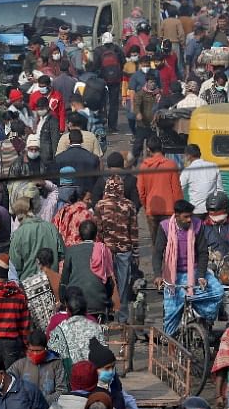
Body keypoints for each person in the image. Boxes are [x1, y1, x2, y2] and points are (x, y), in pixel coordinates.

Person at [154, 199, 225, 334]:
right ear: (176, 215)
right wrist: (158, 275)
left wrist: (201, 276)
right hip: (173, 276)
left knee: (218, 292)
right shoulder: (164, 227)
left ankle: (201, 316)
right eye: (185, 217)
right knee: (170, 319)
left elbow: (203, 252)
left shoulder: (198, 225)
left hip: (195, 271)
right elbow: (157, 253)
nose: (189, 220)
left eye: (190, 216)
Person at [95, 175, 139, 323]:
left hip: (105, 251)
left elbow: (98, 231)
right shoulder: (130, 205)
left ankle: (106, 314)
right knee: (124, 284)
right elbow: (133, 231)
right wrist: (136, 253)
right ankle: (123, 317)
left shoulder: (100, 205)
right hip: (124, 250)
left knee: (106, 282)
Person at [61, 219, 117, 317]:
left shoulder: (71, 251)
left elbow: (64, 283)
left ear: (80, 235)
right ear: (96, 235)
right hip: (98, 305)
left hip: (75, 305)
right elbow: (109, 282)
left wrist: (63, 301)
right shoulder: (103, 250)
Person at [0, 255, 30, 366]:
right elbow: (25, 325)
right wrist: (26, 345)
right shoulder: (19, 294)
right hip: (13, 344)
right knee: (12, 376)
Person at [138, 137, 184, 238]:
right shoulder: (171, 165)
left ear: (148, 150)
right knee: (170, 244)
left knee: (156, 245)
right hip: (169, 211)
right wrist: (179, 210)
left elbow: (141, 192)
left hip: (152, 209)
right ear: (162, 147)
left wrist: (146, 206)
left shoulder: (144, 167)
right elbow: (176, 190)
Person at [9, 197, 65, 279]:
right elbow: (62, 254)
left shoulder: (18, 234)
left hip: (28, 285)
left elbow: (15, 264)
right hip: (50, 281)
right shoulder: (51, 228)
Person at [9, 329, 66, 403]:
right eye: (32, 350)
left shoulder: (56, 364)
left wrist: (42, 401)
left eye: (39, 351)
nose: (35, 354)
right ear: (28, 348)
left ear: (45, 348)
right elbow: (8, 386)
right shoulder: (19, 365)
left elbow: (62, 391)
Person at [180, 143, 223, 214]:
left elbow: (179, 188)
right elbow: (220, 190)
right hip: (212, 210)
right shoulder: (213, 166)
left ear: (188, 156)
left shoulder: (188, 170)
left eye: (185, 155)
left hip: (196, 211)